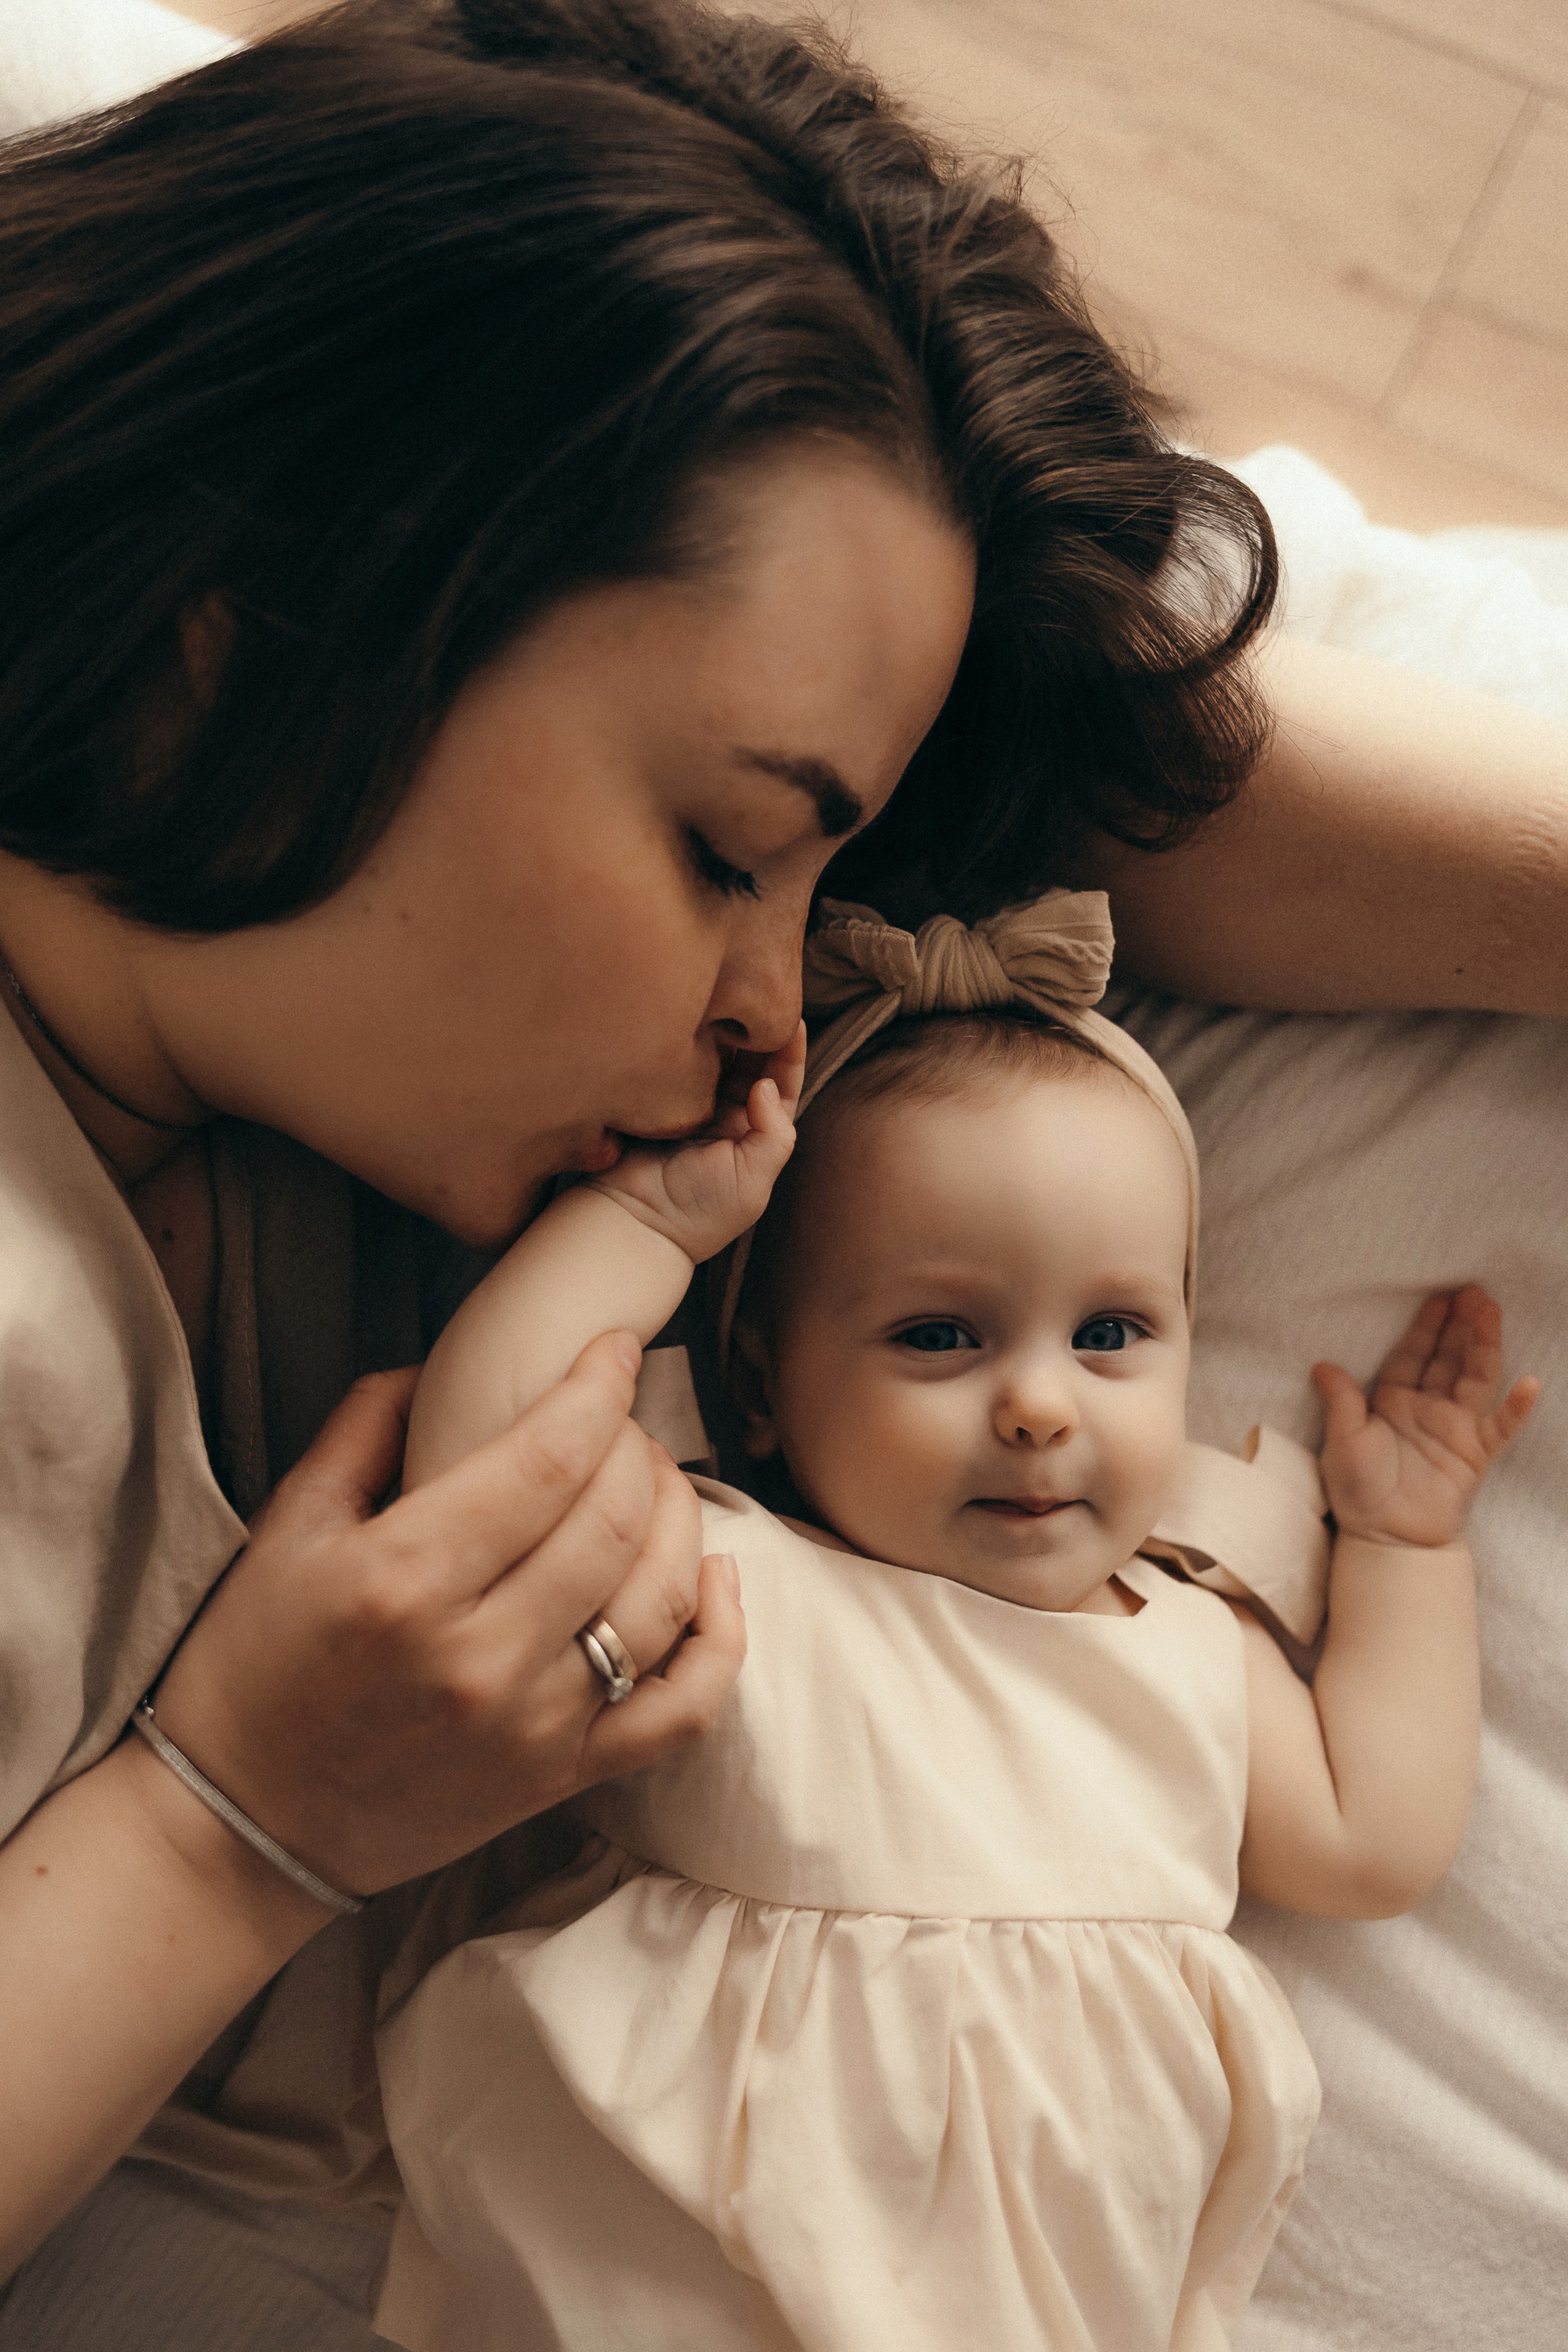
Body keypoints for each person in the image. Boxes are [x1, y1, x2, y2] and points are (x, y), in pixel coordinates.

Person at [1, 0, 1565, 2323]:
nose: (776, 1012)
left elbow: (1141, 782)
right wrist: (235, 1822)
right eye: (732, 850)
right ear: (240, 634)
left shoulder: (305, 1063)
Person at [374, 888, 1536, 2352]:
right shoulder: (729, 1580)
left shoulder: (1182, 1646)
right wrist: (647, 1223)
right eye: (937, 1336)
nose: (1038, 1404)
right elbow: (482, 1473)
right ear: (759, 1385)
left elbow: (1375, 1839)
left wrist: (1399, 1544)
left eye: (1108, 1334)